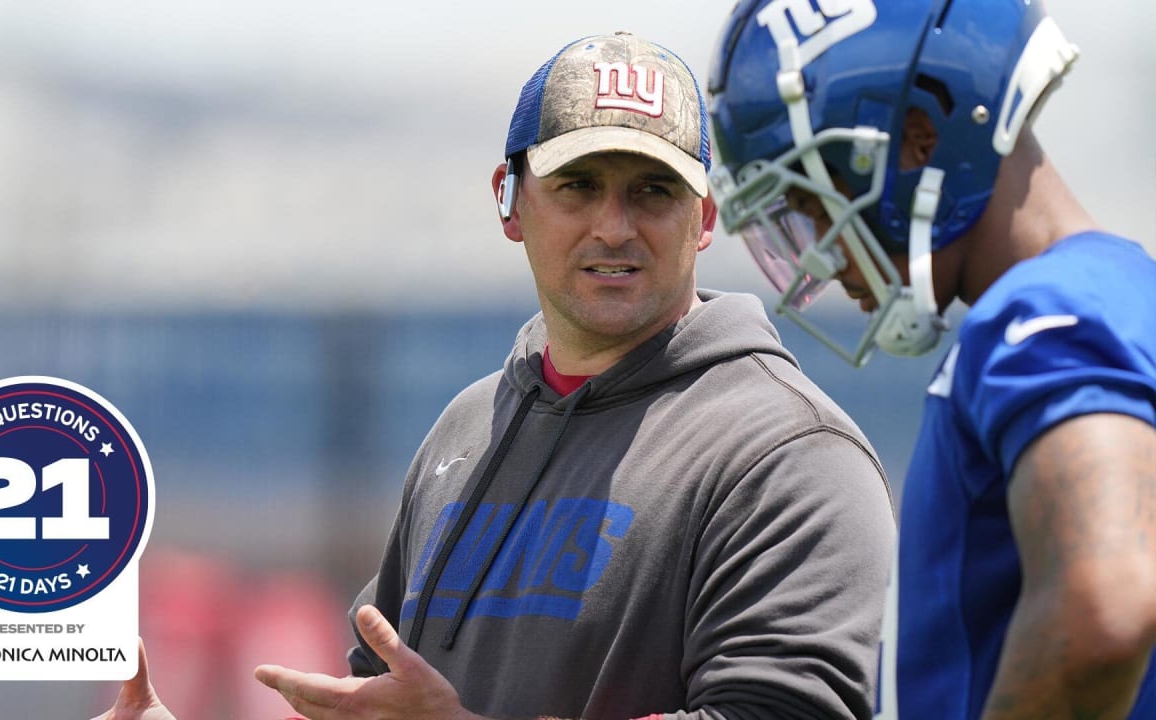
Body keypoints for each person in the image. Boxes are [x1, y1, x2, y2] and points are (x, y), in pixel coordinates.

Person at [96, 30, 895, 720]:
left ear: (706, 217)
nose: (613, 227)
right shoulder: (465, 431)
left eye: (652, 191)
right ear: (509, 202)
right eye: (577, 186)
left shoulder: (791, 455)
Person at [705, 1, 1156, 718]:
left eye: (814, 201)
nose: (818, 250)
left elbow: (1103, 610)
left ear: (920, 140)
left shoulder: (1046, 315)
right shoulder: (1107, 295)